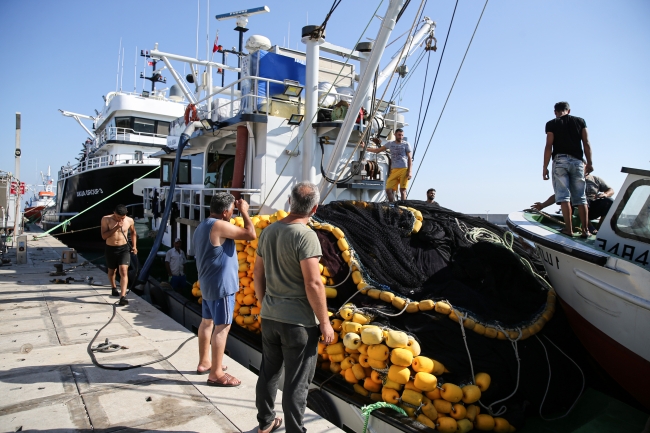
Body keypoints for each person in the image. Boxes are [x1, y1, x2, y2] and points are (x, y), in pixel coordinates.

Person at [254, 182, 335, 433]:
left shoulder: (268, 231)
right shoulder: (306, 235)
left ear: (290, 202)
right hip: (298, 323)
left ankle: (266, 423)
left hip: (270, 316)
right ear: (315, 208)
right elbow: (313, 283)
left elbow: (258, 272)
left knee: (269, 372)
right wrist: (324, 322)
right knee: (297, 383)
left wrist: (263, 302)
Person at [193, 192, 255, 386]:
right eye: (233, 211)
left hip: (207, 283)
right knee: (223, 327)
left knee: (206, 323)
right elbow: (251, 234)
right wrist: (245, 212)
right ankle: (216, 373)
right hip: (222, 286)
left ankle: (205, 362)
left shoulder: (202, 226)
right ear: (226, 212)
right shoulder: (219, 225)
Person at [543, 101, 593, 237]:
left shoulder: (552, 124)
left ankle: (569, 230)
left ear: (555, 112)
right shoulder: (580, 121)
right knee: (581, 197)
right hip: (577, 161)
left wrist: (545, 167)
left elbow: (549, 146)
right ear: (569, 111)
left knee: (564, 197)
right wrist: (589, 163)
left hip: (560, 161)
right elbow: (586, 143)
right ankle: (585, 230)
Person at [532, 172, 615, 234]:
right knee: (577, 197)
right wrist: (542, 205)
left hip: (593, 207)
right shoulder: (571, 181)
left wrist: (605, 194)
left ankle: (599, 229)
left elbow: (610, 190)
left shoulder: (596, 179)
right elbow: (558, 195)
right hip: (577, 208)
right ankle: (589, 226)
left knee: (609, 201)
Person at [362, 128, 413, 202]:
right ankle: (392, 204)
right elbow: (377, 150)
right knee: (388, 190)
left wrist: (410, 171)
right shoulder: (390, 144)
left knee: (403, 190)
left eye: (402, 135)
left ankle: (403, 206)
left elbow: (409, 158)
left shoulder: (406, 144)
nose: (400, 137)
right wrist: (365, 148)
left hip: (404, 169)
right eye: (399, 135)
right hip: (394, 170)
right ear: (395, 135)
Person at [101, 204, 137, 306]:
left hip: (123, 248)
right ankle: (113, 287)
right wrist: (116, 227)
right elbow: (104, 236)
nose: (120, 219)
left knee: (123, 270)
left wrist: (134, 246)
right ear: (114, 213)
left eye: (122, 217)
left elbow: (133, 232)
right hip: (110, 248)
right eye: (118, 217)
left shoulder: (129, 220)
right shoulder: (106, 219)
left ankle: (123, 296)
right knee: (112, 271)